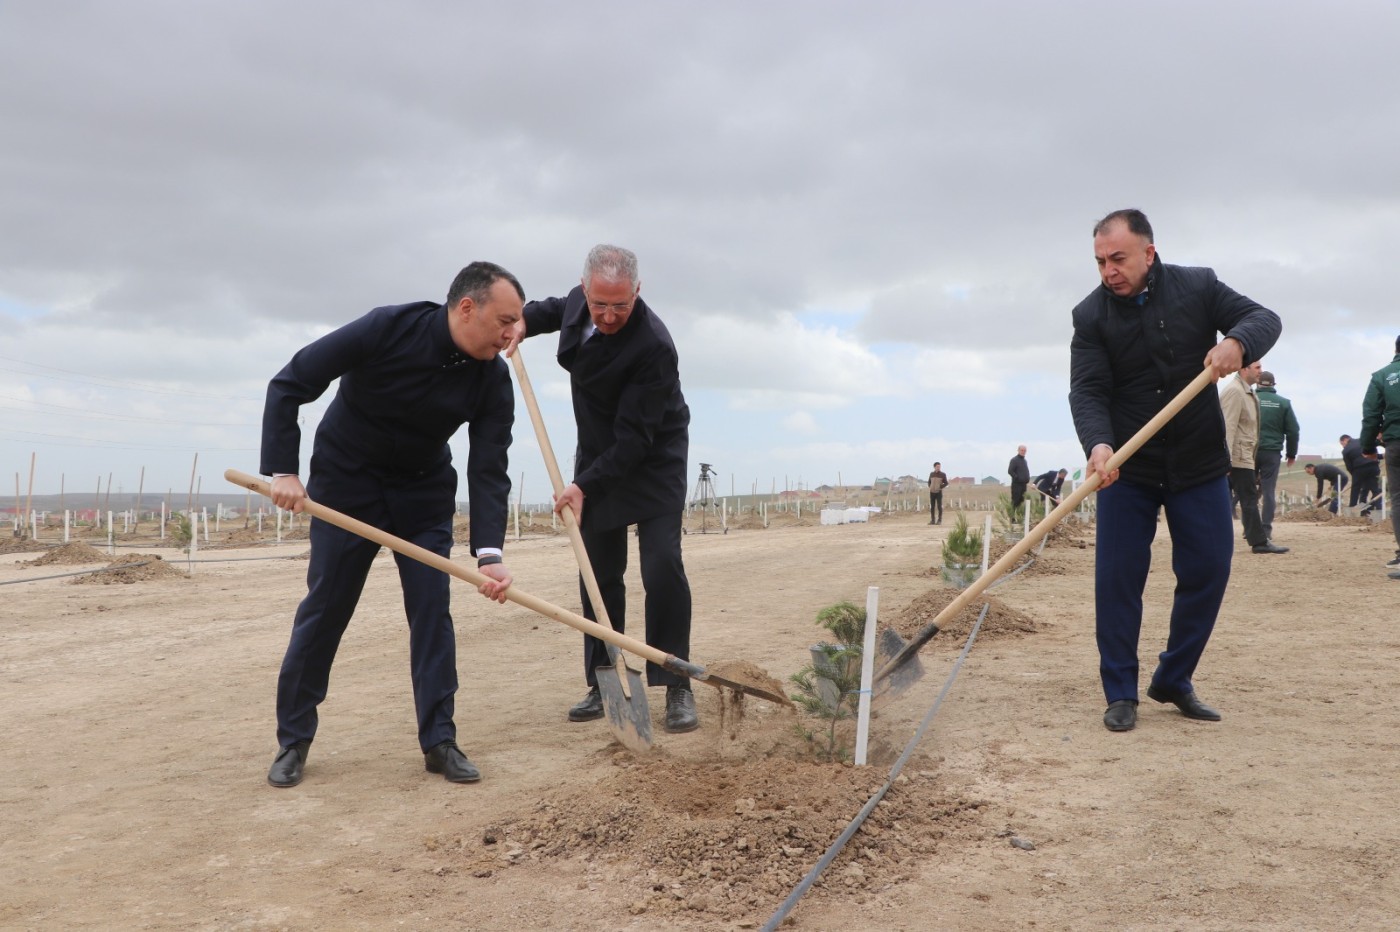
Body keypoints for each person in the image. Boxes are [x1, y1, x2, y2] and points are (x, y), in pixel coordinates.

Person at [260, 262, 522, 788]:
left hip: (421, 495)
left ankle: (439, 741)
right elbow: (290, 383)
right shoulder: (387, 328)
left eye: (516, 322)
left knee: (432, 611)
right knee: (326, 608)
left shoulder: (493, 376)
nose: (513, 333)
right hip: (347, 485)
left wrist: (488, 552)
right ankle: (294, 741)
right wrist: (284, 470)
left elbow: (488, 464)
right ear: (467, 308)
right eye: (506, 320)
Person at [1069, 208, 1281, 733]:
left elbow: (1264, 318)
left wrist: (1238, 342)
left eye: (1118, 258)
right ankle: (1120, 692)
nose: (1108, 271)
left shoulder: (1199, 286)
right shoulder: (1090, 316)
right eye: (1099, 261)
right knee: (1117, 581)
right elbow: (1089, 390)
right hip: (1127, 467)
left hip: (1198, 462)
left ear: (1149, 252)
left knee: (1209, 568)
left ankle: (1173, 679)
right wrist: (1098, 445)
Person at [509, 245, 698, 733]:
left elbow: (635, 439)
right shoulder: (579, 301)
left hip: (652, 455)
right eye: (599, 305)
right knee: (598, 570)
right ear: (586, 289)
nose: (609, 315)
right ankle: (604, 676)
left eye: (621, 305)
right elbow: (551, 310)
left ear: (638, 292)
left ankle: (675, 681)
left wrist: (582, 486)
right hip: (596, 451)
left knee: (661, 565)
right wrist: (522, 322)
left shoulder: (654, 345)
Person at [1220, 361, 1286, 554]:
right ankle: (1259, 542)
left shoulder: (1247, 392)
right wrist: (1226, 458)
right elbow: (1228, 426)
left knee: (1246, 497)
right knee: (1247, 497)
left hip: (1245, 455)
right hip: (1237, 456)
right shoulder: (1235, 392)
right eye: (1257, 367)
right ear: (1243, 369)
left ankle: (1257, 540)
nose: (1261, 371)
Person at [1359, 334, 1400, 576]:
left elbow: (1371, 415)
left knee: (1399, 499)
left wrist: (1368, 447)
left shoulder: (1382, 376)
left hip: (1396, 444)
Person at [1254, 369, 1299, 543]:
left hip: (1250, 451)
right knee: (1268, 491)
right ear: (1274, 384)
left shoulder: (1250, 398)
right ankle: (1266, 530)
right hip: (1271, 453)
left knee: (1249, 492)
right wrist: (1291, 454)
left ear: (1258, 383)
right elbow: (1293, 431)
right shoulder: (1283, 403)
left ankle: (1250, 528)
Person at [1339, 434, 1382, 512]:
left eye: (1342, 444)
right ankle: (1380, 511)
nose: (1342, 446)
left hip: (1359, 470)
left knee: (1355, 490)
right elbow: (1374, 449)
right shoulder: (1363, 440)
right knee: (1375, 489)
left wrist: (1355, 476)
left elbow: (1349, 466)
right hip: (1373, 466)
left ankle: (1353, 511)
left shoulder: (1345, 451)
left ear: (1345, 440)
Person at [1007, 445, 1030, 510]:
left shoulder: (1025, 461)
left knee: (1022, 501)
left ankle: (1020, 517)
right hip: (1016, 485)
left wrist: (1027, 478)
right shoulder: (1014, 460)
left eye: (1024, 451)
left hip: (1024, 485)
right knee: (1015, 501)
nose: (1023, 452)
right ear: (1018, 450)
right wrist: (1017, 478)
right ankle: (1013, 518)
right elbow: (1010, 471)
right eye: (1022, 450)